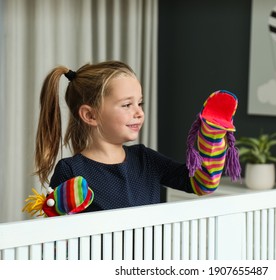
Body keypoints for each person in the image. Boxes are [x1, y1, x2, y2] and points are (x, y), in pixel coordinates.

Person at [25, 60, 240, 216]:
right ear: (90, 115)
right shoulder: (70, 171)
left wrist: (212, 137)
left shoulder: (145, 159)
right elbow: (56, 239)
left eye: (140, 103)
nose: (138, 112)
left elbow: (201, 185)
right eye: (127, 104)